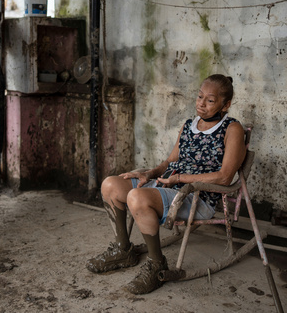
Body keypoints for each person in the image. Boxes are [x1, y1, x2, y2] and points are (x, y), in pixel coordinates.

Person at [86, 74, 247, 294]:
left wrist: (179, 179)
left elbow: (225, 177)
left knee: (136, 197)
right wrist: (149, 173)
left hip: (198, 198)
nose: (201, 103)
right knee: (110, 185)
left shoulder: (232, 129)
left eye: (210, 100)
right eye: (200, 96)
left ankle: (156, 265)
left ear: (225, 104)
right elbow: (171, 161)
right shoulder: (189, 125)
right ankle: (123, 249)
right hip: (169, 186)